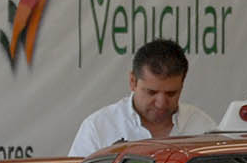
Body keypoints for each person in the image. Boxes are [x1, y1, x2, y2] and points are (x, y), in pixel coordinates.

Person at [69, 39, 216, 155]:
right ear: (132, 82)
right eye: (151, 92)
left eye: (171, 94)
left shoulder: (202, 128)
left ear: (182, 85)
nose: (161, 103)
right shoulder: (99, 128)